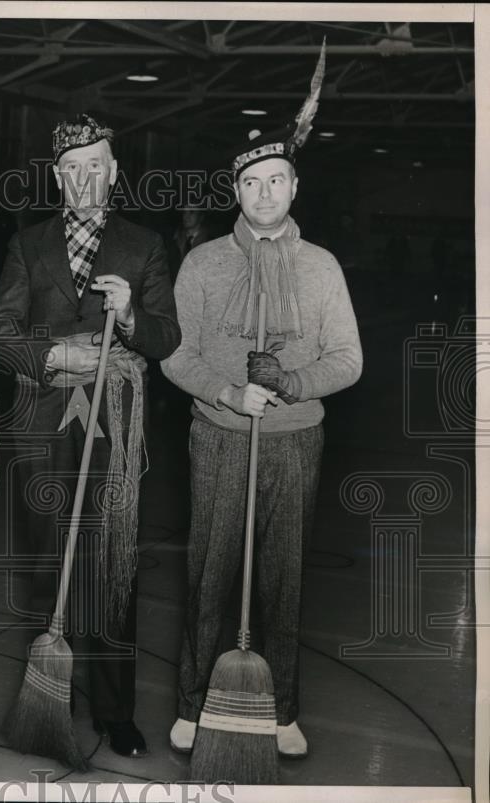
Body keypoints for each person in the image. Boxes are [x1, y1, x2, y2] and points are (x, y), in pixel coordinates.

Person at [160, 52, 363, 759]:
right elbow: (174, 353)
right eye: (253, 182)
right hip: (217, 436)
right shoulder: (204, 263)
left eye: (278, 180)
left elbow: (349, 359)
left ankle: (282, 710)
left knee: (283, 579)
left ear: (295, 184)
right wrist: (227, 390)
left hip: (294, 439)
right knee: (209, 571)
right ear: (236, 191)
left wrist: (291, 384)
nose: (266, 192)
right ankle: (191, 703)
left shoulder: (322, 267)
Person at [0, 113, 180, 758]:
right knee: (48, 562)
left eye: (95, 165)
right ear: (56, 175)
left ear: (114, 172)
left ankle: (115, 710)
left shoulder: (146, 244)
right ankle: (51, 697)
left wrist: (127, 315)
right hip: (42, 419)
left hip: (114, 424)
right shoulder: (28, 243)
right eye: (71, 168)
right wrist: (50, 359)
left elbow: (167, 338)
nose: (82, 178)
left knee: (112, 560)